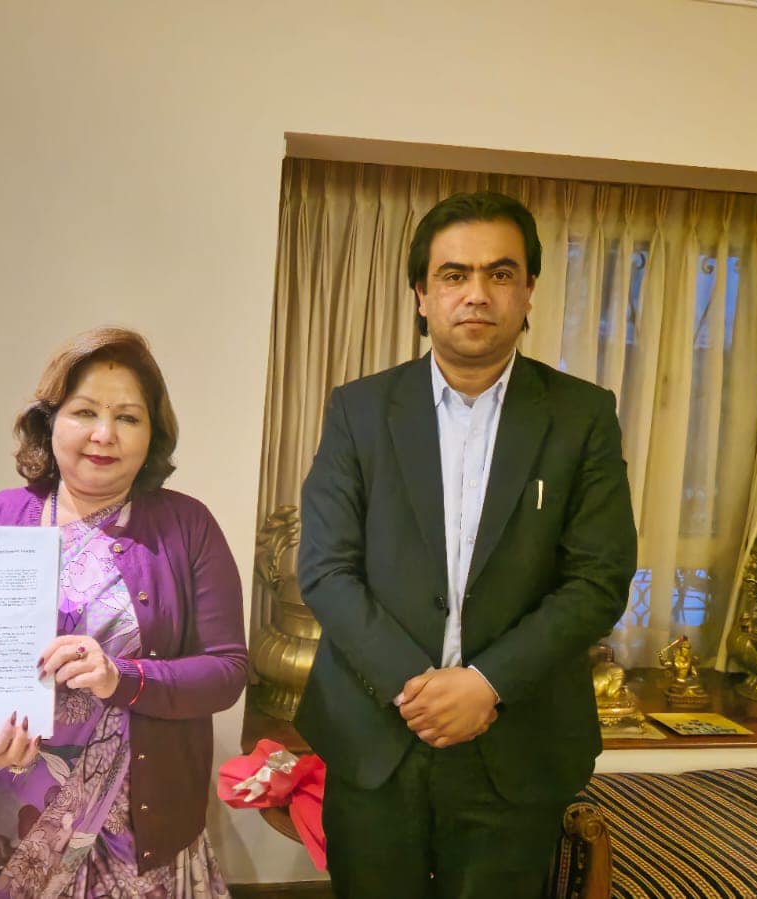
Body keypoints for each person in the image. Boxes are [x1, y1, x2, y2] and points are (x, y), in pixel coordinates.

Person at [295, 191, 637, 897]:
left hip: (517, 739)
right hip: (376, 738)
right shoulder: (359, 410)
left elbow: (598, 579)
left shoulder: (581, 416)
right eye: (454, 274)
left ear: (528, 290)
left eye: (499, 273)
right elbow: (326, 568)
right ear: (422, 295)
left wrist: (486, 683)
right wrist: (415, 686)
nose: (476, 293)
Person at [0, 327, 246, 897]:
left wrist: (119, 677)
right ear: (49, 421)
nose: (105, 434)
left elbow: (227, 671)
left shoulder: (187, 526)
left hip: (142, 825)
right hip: (15, 813)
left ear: (152, 434)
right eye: (84, 412)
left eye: (128, 417)